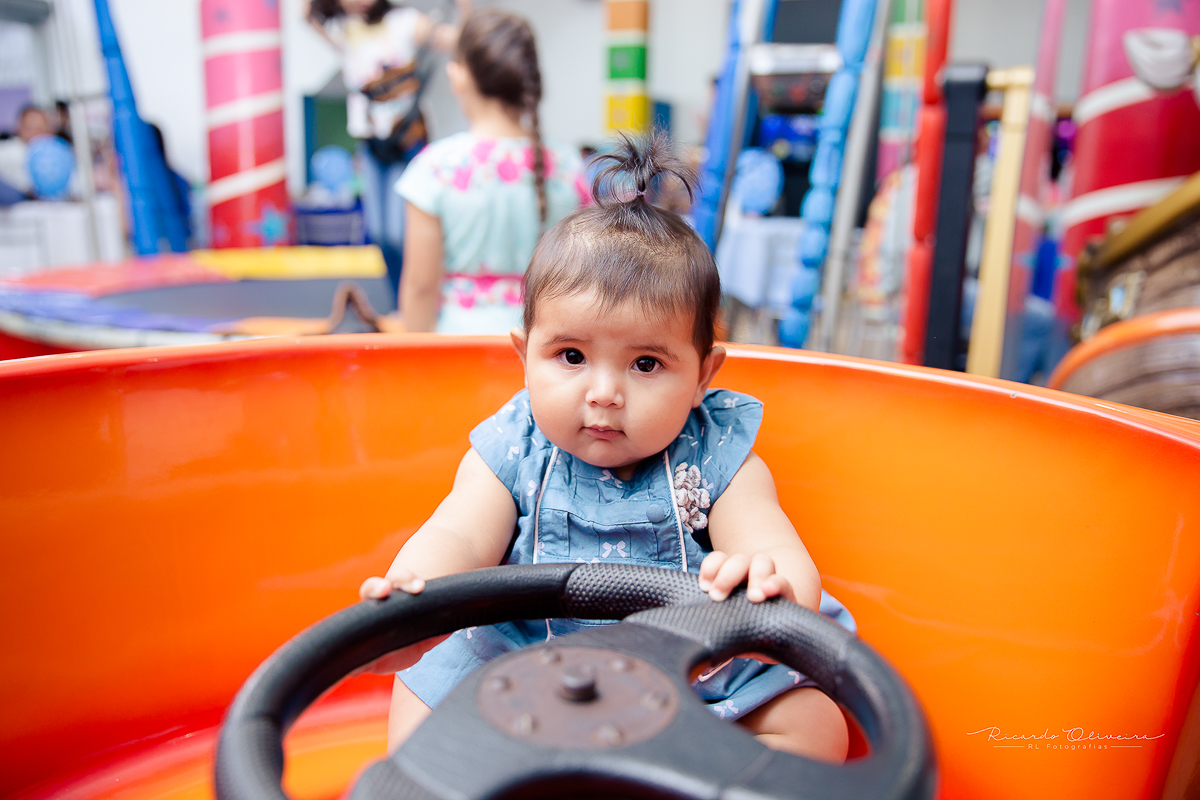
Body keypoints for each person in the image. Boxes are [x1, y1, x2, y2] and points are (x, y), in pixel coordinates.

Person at [358, 135, 854, 764]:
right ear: (523, 357)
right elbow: (458, 535)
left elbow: (771, 544)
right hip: (519, 672)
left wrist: (769, 590)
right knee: (420, 696)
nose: (603, 394)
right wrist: (416, 598)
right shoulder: (512, 446)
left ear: (703, 374)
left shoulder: (716, 451)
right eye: (571, 356)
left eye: (646, 363)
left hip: (690, 684)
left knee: (813, 725)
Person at [394, 9, 590, 333]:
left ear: (458, 76)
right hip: (548, 351)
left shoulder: (435, 168)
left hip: (461, 349)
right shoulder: (568, 165)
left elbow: (420, 288)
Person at [307, 0, 471, 298]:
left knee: (400, 231)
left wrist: (465, 7)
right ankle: (401, 300)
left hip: (407, 138)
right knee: (380, 233)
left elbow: (459, 39)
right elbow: (308, 16)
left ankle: (419, 296)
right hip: (371, 141)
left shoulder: (404, 22)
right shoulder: (345, 29)